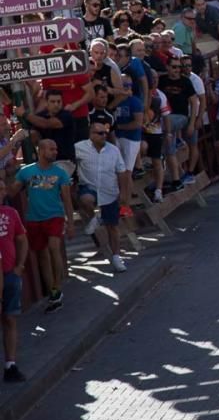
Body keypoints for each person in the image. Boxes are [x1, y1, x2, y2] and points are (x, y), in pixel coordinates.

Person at [11, 140, 74, 314]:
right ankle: (53, 291)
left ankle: (57, 285)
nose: (55, 151)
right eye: (51, 149)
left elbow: (67, 200)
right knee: (42, 255)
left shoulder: (61, 173)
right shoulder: (26, 171)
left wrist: (70, 223)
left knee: (54, 248)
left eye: (56, 148)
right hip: (33, 218)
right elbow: (12, 191)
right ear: (41, 150)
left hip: (54, 216)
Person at [75, 122, 129, 272]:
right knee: (86, 199)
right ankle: (95, 216)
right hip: (89, 187)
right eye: (99, 133)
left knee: (113, 226)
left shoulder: (113, 150)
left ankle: (117, 257)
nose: (103, 135)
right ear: (91, 135)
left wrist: (124, 193)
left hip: (109, 190)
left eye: (105, 132)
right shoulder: (79, 148)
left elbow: (122, 172)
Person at [0, 179, 28, 383]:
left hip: (10, 274)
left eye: (3, 188)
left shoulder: (11, 213)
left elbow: (21, 238)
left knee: (10, 318)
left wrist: (19, 266)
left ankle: (11, 364)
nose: (3, 191)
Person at [159, 57, 199, 188]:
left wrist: (192, 122)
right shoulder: (162, 80)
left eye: (179, 67)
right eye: (174, 67)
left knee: (192, 142)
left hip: (181, 117)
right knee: (164, 128)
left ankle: (190, 173)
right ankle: (171, 150)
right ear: (168, 67)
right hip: (166, 117)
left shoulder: (186, 82)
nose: (177, 70)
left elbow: (194, 103)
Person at [112, 77, 144, 218]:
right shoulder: (116, 100)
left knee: (126, 173)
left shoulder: (135, 102)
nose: (125, 88)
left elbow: (138, 123)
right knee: (119, 172)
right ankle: (121, 203)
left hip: (131, 139)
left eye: (127, 85)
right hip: (118, 137)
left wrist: (118, 127)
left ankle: (126, 204)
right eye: (123, 85)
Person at [27, 91, 76, 166]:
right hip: (46, 162)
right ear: (46, 102)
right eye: (53, 101)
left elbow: (47, 123)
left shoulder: (66, 115)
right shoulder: (40, 116)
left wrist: (24, 114)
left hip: (65, 161)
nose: (56, 104)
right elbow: (33, 134)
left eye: (59, 101)